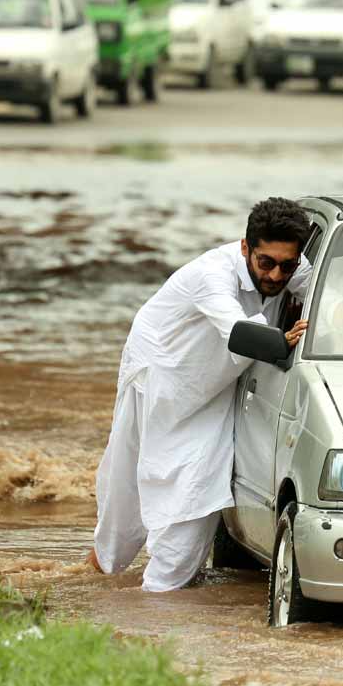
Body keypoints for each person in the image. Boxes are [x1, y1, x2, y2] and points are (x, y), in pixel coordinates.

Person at [87, 198, 312, 591]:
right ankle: (97, 581)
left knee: (194, 497)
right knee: (124, 497)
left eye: (287, 266)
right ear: (245, 248)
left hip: (215, 387)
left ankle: (158, 599)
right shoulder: (212, 275)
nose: (276, 275)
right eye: (266, 263)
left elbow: (333, 289)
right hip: (159, 377)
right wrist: (282, 340)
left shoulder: (291, 268)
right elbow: (241, 333)